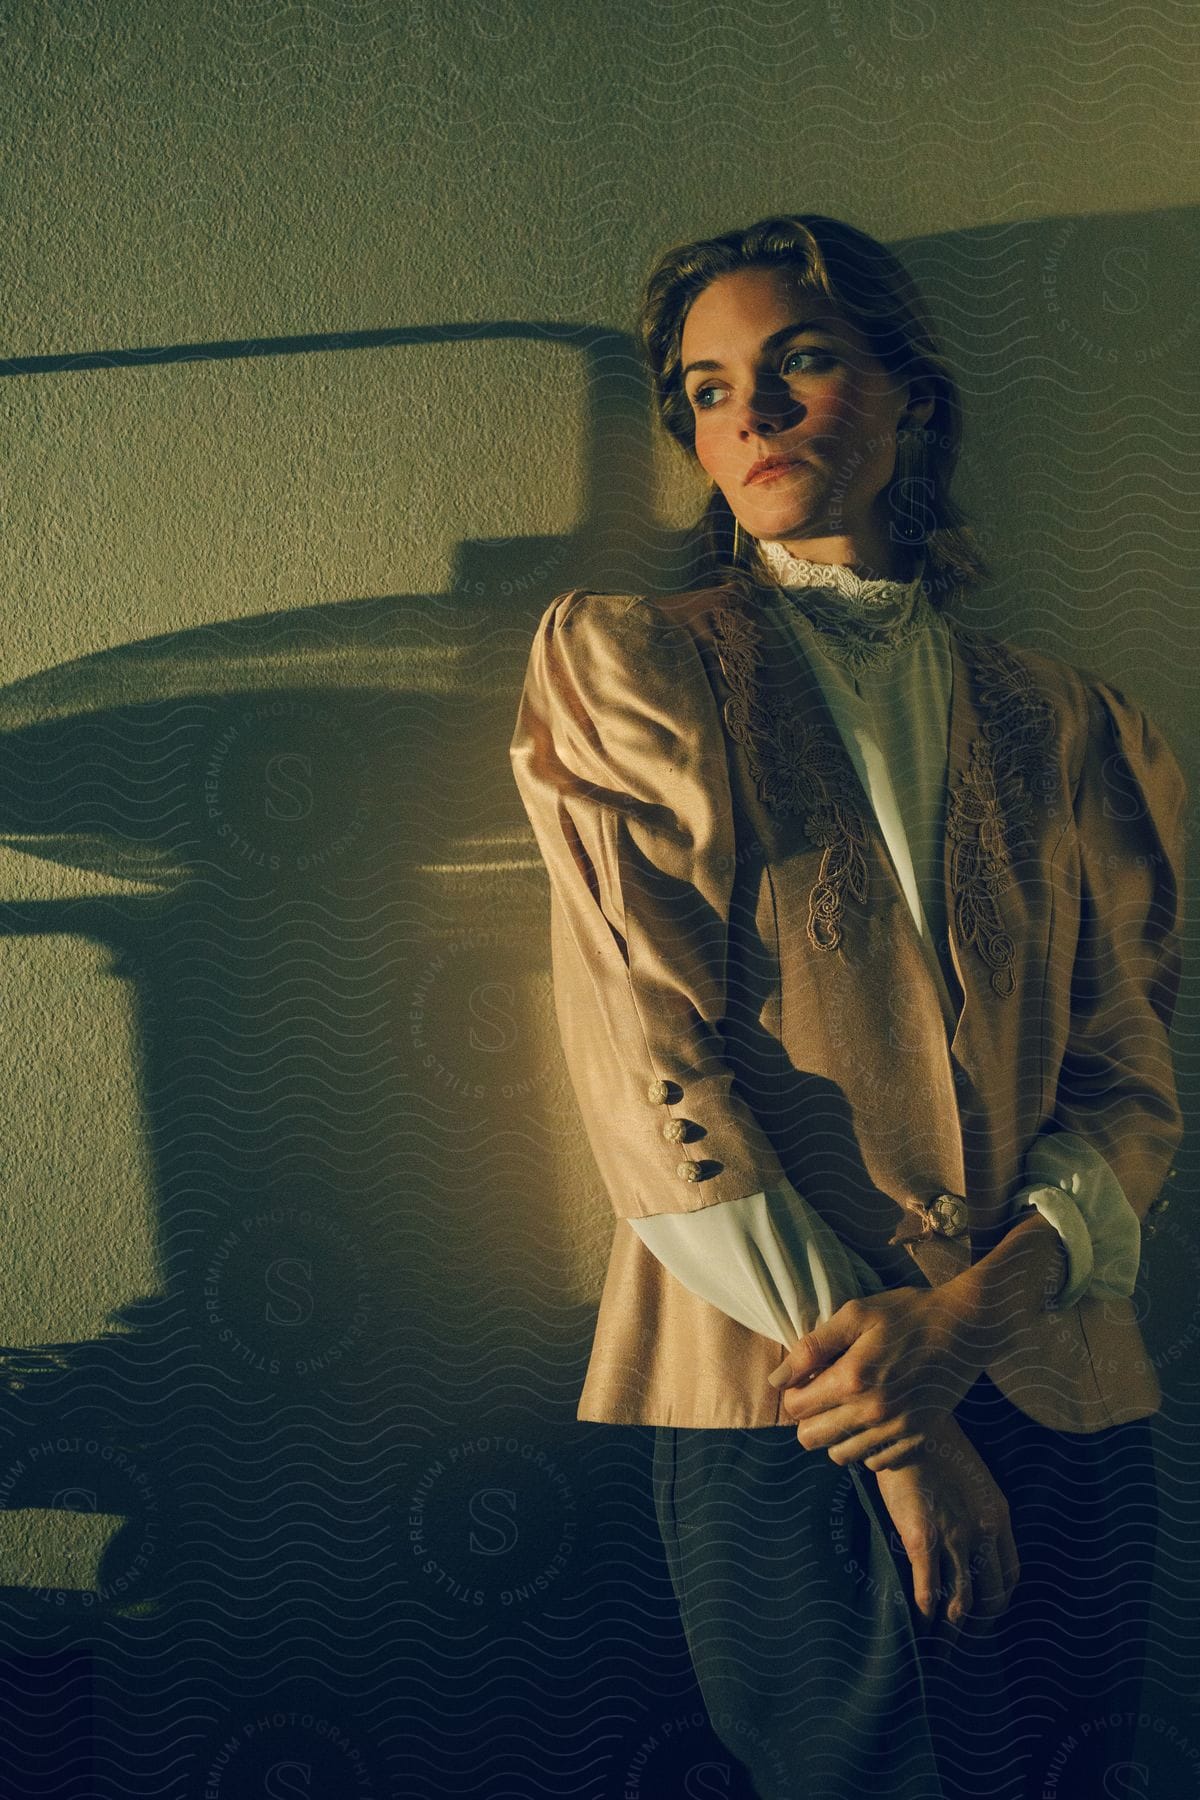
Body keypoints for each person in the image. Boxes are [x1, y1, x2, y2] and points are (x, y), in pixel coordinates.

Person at [509, 215, 1186, 1800]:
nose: (751, 413)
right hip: (778, 1397)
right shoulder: (637, 675)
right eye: (707, 386)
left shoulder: (1067, 717)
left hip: (1062, 1369)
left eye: (801, 360)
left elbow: (1132, 1077)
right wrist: (906, 1418)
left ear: (912, 400)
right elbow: (649, 1079)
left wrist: (974, 1319)